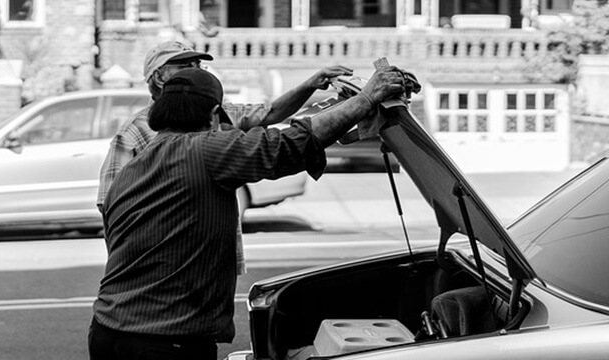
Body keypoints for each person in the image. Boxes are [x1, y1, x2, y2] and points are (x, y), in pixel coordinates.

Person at [89, 66, 418, 360]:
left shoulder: (134, 168)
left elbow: (275, 124)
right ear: (216, 115)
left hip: (107, 330)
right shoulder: (203, 151)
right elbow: (288, 144)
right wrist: (366, 99)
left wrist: (349, 103)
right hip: (165, 341)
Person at [96, 40, 353, 274]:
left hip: (209, 263)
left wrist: (310, 85)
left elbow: (270, 113)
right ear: (160, 77)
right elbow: (110, 204)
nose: (196, 71)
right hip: (163, 266)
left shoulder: (215, 113)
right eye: (186, 66)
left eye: (198, 65)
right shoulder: (134, 133)